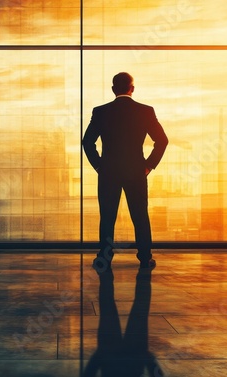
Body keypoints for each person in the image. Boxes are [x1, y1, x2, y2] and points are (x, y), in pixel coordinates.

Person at [83, 72, 168, 270]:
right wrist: (148, 165)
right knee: (140, 215)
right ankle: (145, 257)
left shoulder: (101, 111)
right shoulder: (145, 111)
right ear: (133, 89)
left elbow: (88, 142)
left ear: (113, 90)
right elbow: (162, 140)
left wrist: (99, 165)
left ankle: (104, 258)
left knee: (108, 216)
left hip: (109, 172)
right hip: (136, 171)